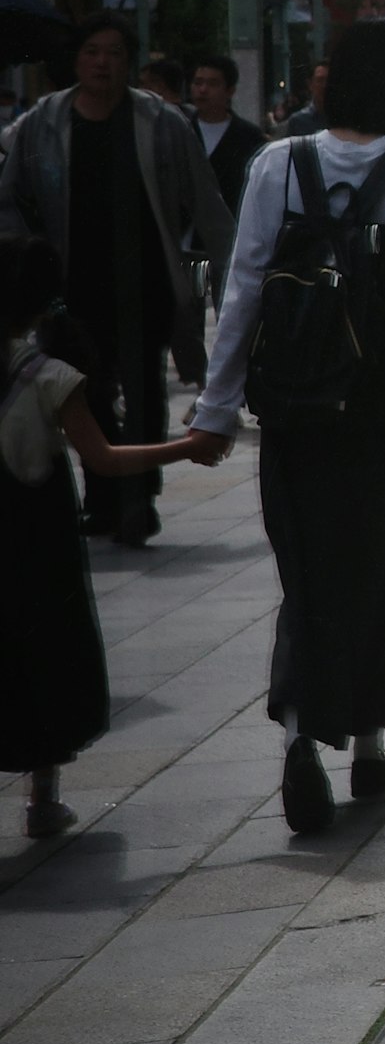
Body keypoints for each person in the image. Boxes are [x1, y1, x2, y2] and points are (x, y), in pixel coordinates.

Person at [182, 20, 385, 836]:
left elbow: (241, 292)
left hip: (295, 413)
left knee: (308, 578)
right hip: (380, 417)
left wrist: (214, 412)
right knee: (379, 571)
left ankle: (301, 736)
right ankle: (371, 748)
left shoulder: (277, 163)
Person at [2, 236, 233, 839]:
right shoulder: (49, 375)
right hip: (36, 538)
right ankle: (43, 796)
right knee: (45, 654)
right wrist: (189, 448)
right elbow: (103, 459)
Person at [0, 13, 231, 548]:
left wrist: (229, 268)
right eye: (91, 52)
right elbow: (10, 196)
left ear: (129, 63)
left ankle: (137, 498)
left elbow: (205, 199)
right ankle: (102, 497)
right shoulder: (46, 120)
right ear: (77, 60)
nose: (102, 63)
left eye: (114, 53)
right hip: (70, 284)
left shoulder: (161, 121)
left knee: (147, 388)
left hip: (144, 279)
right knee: (84, 389)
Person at [190, 57, 265, 221]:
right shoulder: (180, 128)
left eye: (212, 84)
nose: (203, 90)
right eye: (198, 83)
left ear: (230, 90)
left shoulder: (249, 137)